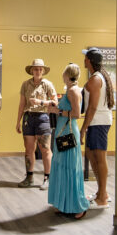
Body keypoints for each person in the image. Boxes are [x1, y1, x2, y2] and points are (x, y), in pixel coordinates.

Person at [46, 64, 89, 218]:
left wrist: (56, 110)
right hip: (64, 131)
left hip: (68, 132)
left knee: (69, 167)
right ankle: (63, 203)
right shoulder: (71, 90)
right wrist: (56, 107)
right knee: (61, 165)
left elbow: (77, 114)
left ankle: (77, 206)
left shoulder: (73, 91)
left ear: (67, 75)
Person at [81, 47, 115, 209]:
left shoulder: (95, 79)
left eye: (85, 58)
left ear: (89, 60)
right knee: (89, 152)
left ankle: (102, 198)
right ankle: (102, 192)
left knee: (100, 158)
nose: (84, 60)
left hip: (98, 121)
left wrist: (83, 128)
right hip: (99, 121)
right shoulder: (99, 76)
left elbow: (92, 107)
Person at [16, 58, 57, 189]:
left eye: (40, 69)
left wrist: (41, 102)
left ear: (43, 71)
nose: (38, 71)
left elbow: (55, 101)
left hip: (43, 117)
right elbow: (22, 104)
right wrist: (18, 121)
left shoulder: (48, 84)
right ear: (31, 71)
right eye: (36, 69)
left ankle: (48, 178)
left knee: (45, 149)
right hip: (28, 118)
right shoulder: (25, 84)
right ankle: (29, 177)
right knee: (29, 149)